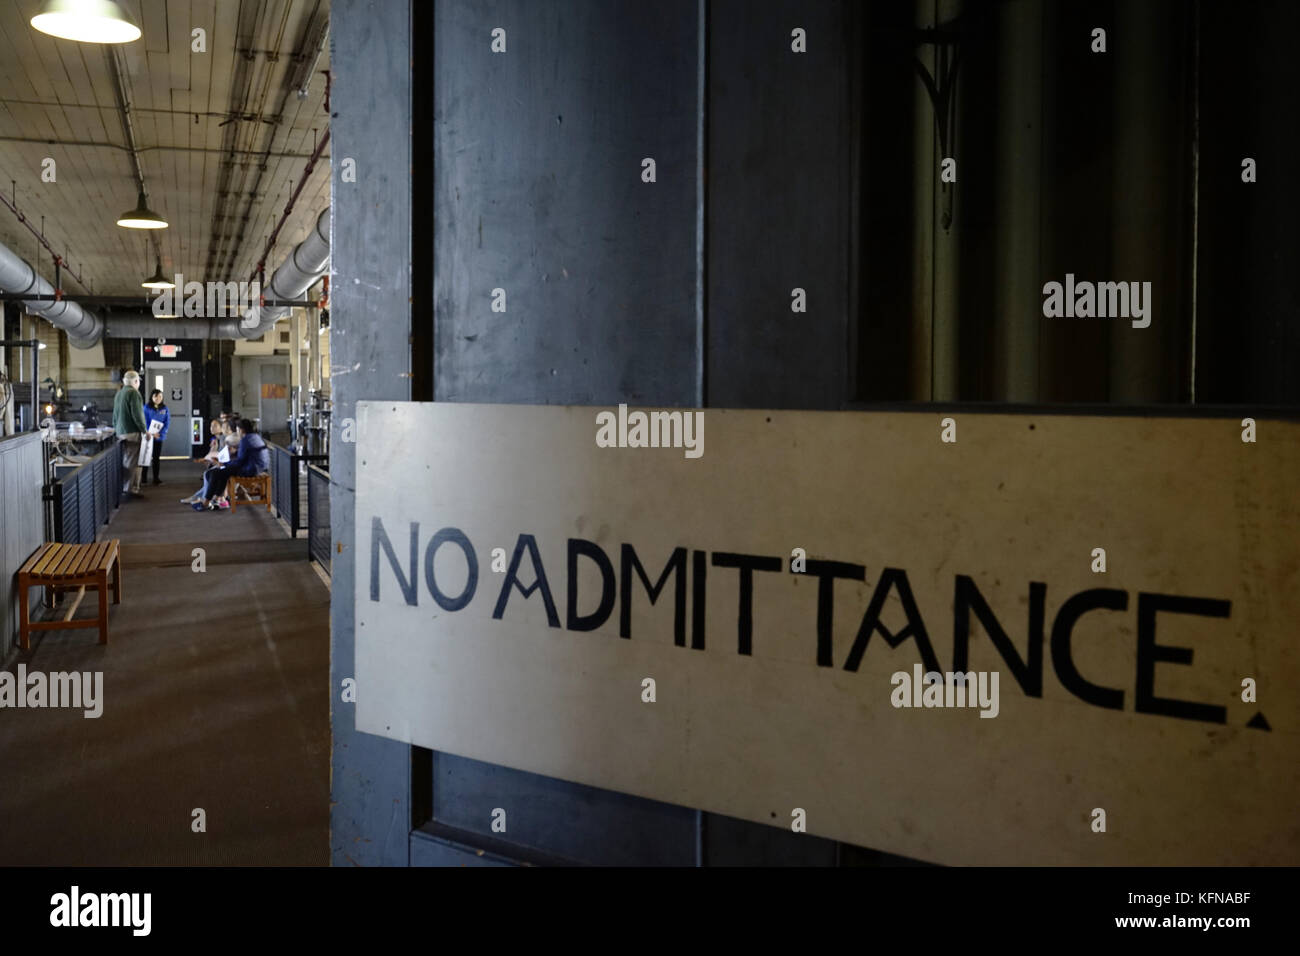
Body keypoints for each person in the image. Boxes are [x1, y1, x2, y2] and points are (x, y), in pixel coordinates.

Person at [193, 419, 268, 511]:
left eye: (237, 430)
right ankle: (217, 499)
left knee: (215, 473)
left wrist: (225, 464)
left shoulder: (245, 440)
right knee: (220, 472)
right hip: (259, 467)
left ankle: (206, 502)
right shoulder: (256, 437)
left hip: (250, 469)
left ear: (241, 430)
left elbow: (240, 461)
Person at [113, 370, 147, 498]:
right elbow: (137, 415)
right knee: (133, 462)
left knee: (125, 461)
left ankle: (126, 487)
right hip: (132, 432)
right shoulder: (134, 394)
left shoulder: (119, 394)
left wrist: (116, 429)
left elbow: (115, 416)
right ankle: (130, 490)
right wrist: (144, 430)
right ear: (136, 381)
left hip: (120, 432)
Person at [143, 389, 170, 486]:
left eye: (160, 397)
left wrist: (160, 433)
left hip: (159, 436)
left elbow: (167, 422)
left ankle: (156, 478)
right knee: (146, 457)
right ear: (152, 397)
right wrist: (149, 433)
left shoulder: (165, 408)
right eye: (156, 396)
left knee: (156, 458)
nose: (158, 398)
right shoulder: (146, 407)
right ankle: (143, 478)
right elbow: (144, 421)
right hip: (148, 436)